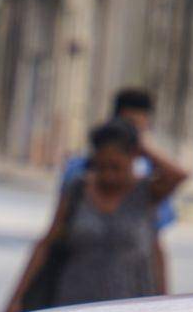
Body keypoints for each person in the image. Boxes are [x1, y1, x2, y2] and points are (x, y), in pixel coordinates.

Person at [5, 119, 187, 312]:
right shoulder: (78, 190)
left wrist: (142, 146)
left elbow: (178, 174)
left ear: (133, 158)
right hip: (73, 304)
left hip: (131, 308)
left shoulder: (146, 193)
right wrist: (17, 298)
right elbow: (47, 243)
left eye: (116, 167)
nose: (109, 176)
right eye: (102, 167)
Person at [61, 88, 176, 234]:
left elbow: (158, 224)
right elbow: (62, 222)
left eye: (139, 128)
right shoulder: (79, 170)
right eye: (128, 125)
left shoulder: (147, 175)